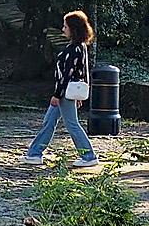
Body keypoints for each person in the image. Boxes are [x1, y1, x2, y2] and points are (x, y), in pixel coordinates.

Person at [23, 9, 100, 167]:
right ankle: (34, 153)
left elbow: (68, 74)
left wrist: (57, 95)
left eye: (65, 26)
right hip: (69, 92)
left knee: (71, 124)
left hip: (65, 92)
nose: (63, 29)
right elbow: (82, 72)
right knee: (49, 121)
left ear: (73, 29)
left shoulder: (74, 49)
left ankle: (89, 156)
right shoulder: (79, 47)